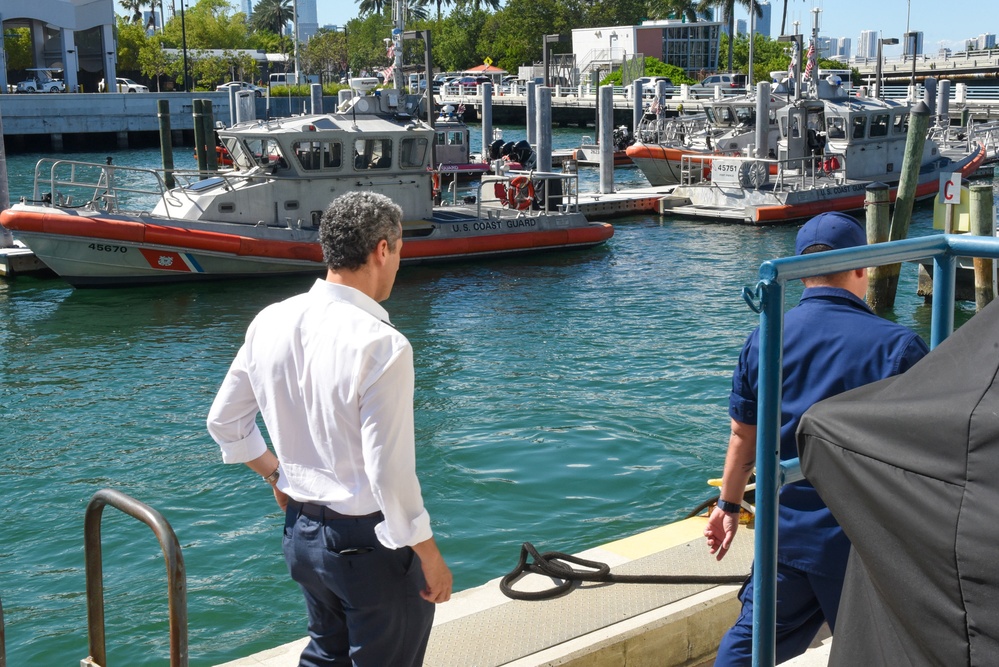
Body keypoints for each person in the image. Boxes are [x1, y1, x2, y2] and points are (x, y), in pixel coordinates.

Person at [207, 191, 452, 667]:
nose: (399, 264)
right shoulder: (383, 345)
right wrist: (428, 553)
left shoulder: (270, 320)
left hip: (302, 537)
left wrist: (274, 474)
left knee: (324, 657)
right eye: (400, 250)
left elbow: (224, 421)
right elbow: (389, 473)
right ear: (382, 249)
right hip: (370, 547)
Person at [704, 211, 929, 666]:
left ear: (801, 272)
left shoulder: (764, 338)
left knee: (749, 646)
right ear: (863, 267)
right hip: (861, 545)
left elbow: (742, 438)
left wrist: (727, 506)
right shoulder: (898, 347)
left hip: (785, 536)